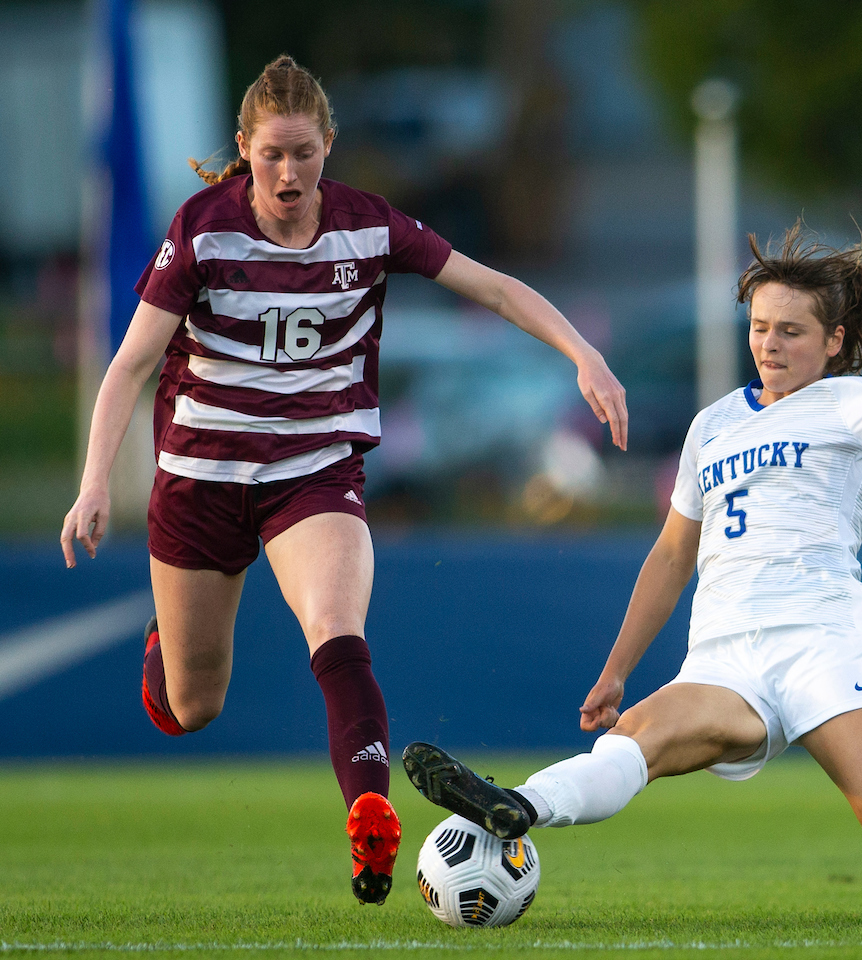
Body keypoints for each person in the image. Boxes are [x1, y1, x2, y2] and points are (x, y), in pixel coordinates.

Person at [59, 55, 628, 906]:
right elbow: (132, 363)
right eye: (271, 156)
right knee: (190, 705)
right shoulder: (203, 228)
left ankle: (369, 812)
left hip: (314, 471)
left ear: (329, 146)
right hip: (199, 478)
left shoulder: (370, 226)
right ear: (244, 150)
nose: (288, 175)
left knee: (335, 624)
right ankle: (165, 643)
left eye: (304, 154)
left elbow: (497, 290)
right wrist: (95, 481)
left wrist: (583, 353)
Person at [402, 225, 862, 918]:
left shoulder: (855, 403)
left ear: (835, 340)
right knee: (634, 741)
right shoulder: (714, 424)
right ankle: (515, 805)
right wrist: (616, 669)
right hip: (725, 657)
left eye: (790, 330)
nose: (770, 344)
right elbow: (670, 556)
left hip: (822, 643)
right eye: (759, 327)